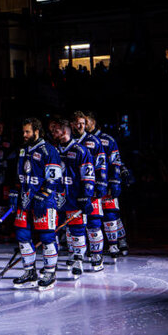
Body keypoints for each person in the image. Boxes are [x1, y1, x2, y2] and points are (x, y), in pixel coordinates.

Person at [9, 117, 64, 290]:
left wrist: (43, 194)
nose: (24, 135)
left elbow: (54, 177)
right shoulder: (23, 150)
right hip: (25, 200)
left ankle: (50, 273)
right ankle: (30, 272)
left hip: (44, 201)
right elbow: (19, 175)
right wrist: (14, 191)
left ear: (37, 132)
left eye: (27, 132)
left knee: (47, 237)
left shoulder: (49, 150)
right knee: (22, 235)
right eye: (23, 131)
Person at [48, 117, 94, 279]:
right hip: (54, 199)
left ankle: (77, 261)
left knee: (77, 231)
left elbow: (88, 176)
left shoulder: (81, 151)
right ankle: (50, 265)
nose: (53, 132)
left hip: (73, 198)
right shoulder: (51, 150)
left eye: (56, 130)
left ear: (65, 130)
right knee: (50, 231)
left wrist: (86, 196)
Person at [86, 111, 129, 259]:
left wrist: (115, 181)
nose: (84, 124)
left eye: (86, 121)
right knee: (94, 216)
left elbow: (116, 161)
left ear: (93, 121)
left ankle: (117, 243)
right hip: (92, 185)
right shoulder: (81, 140)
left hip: (108, 183)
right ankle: (96, 246)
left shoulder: (107, 140)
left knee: (111, 214)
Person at [72, 111, 108, 270]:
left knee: (94, 223)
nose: (79, 126)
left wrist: (101, 184)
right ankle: (76, 256)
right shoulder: (68, 141)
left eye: (82, 123)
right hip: (73, 190)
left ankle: (96, 255)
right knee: (74, 225)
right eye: (76, 123)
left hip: (90, 189)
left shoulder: (94, 141)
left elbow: (101, 163)